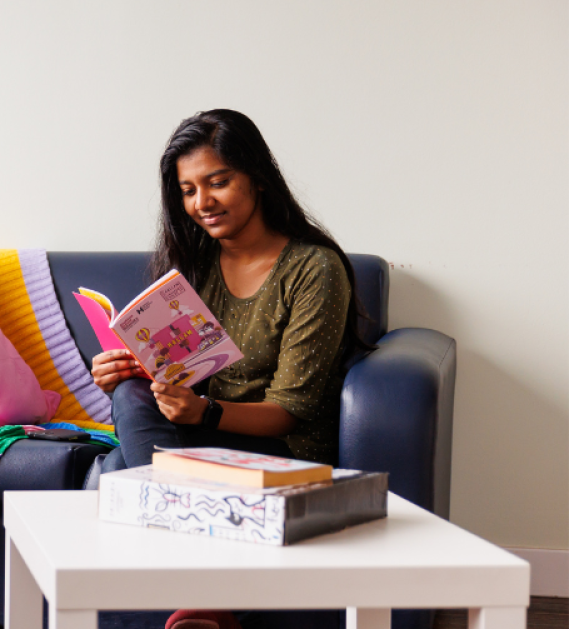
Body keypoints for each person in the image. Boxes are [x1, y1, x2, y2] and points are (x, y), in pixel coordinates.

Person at [94, 109, 367, 474]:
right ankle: (172, 514)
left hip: (285, 449)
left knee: (117, 466)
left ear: (258, 179)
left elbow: (289, 414)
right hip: (203, 429)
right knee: (129, 401)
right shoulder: (195, 265)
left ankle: (168, 513)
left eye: (218, 183)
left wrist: (205, 411)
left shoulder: (313, 268)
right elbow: (175, 377)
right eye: (188, 191)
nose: (201, 203)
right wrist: (122, 373)